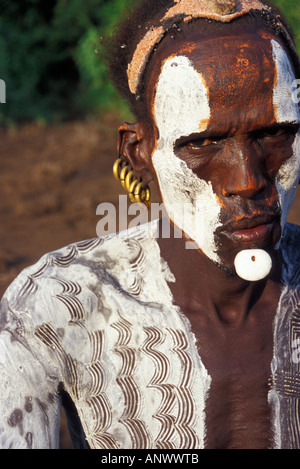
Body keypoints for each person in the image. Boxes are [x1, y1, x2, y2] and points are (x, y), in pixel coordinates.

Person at [1, 0, 300, 450]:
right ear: (140, 154)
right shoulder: (57, 307)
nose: (248, 180)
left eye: (274, 133)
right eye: (203, 142)